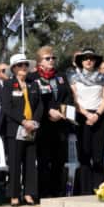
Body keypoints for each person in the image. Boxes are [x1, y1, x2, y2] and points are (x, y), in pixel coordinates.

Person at [29, 46, 74, 198]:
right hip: (43, 125)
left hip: (60, 124)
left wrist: (61, 112)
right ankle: (44, 192)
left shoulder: (61, 77)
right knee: (43, 161)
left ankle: (57, 191)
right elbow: (34, 100)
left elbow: (68, 97)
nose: (51, 61)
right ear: (40, 62)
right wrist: (49, 111)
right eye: (47, 58)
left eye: (53, 58)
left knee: (59, 160)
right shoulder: (33, 77)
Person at [2, 53, 43, 205]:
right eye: (20, 65)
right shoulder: (7, 84)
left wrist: (34, 122)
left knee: (30, 163)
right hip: (15, 129)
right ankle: (14, 195)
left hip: (31, 129)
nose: (24, 67)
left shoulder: (34, 84)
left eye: (26, 65)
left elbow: (39, 105)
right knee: (14, 163)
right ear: (13, 68)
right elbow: (7, 107)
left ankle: (29, 194)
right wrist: (23, 121)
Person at [70, 49, 104, 195]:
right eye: (85, 58)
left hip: (99, 118)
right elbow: (74, 100)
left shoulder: (103, 78)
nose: (88, 61)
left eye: (91, 58)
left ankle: (100, 189)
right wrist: (87, 114)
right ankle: (84, 190)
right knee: (84, 156)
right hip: (82, 117)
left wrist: (97, 114)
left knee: (98, 157)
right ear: (81, 61)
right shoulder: (74, 78)